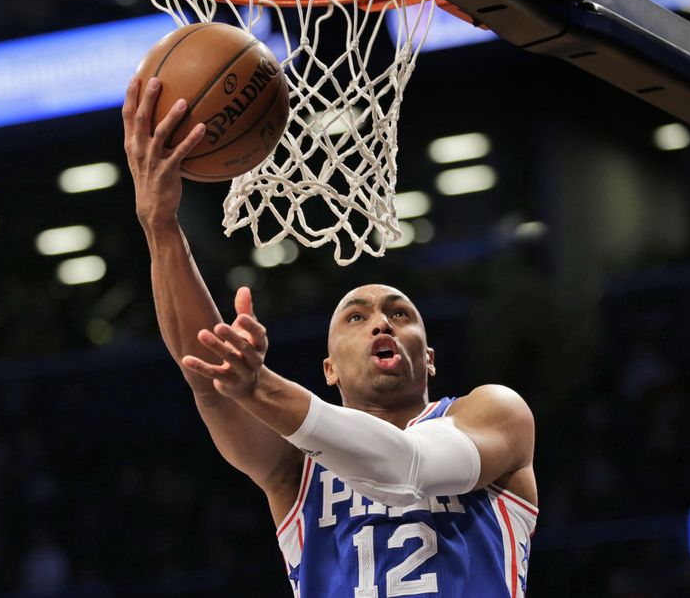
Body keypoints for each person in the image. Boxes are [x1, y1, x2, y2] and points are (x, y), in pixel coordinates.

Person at [123, 75, 538, 597]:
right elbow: (207, 374)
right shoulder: (293, 466)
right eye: (356, 317)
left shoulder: (494, 414)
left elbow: (410, 467)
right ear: (329, 369)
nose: (382, 323)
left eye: (400, 314)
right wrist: (159, 223)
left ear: (428, 359)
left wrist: (259, 388)